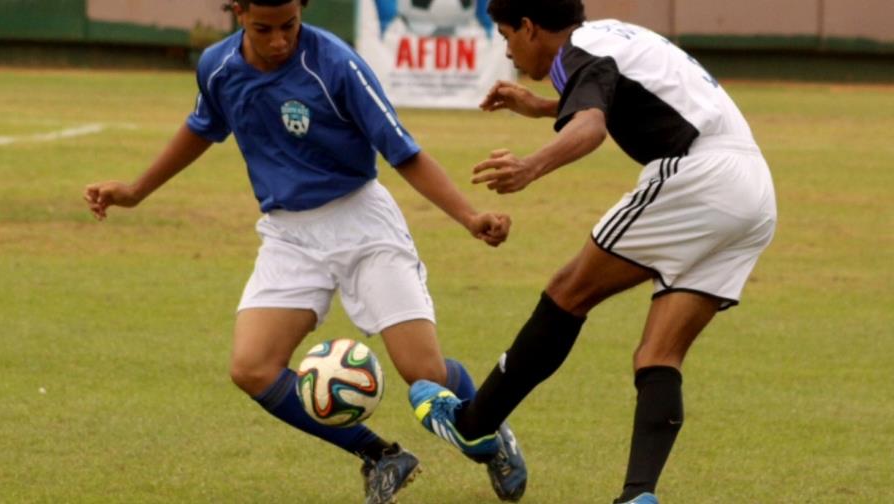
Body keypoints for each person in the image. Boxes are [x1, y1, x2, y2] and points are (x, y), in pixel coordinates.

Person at [82, 1, 527, 503]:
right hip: (289, 234)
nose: (279, 41)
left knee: (423, 375)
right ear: (238, 14)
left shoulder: (336, 64)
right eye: (263, 28)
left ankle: (489, 438)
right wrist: (137, 190)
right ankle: (381, 457)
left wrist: (470, 218)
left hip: (361, 225)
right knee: (252, 368)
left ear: (303, 11)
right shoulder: (219, 66)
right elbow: (203, 126)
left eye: (289, 26)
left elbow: (403, 151)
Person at [408, 1, 777, 503]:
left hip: (699, 176)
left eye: (505, 34)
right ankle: (638, 495)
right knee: (659, 353)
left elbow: (591, 127)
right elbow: (622, 97)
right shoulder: (609, 36)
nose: (508, 49)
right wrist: (539, 106)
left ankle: (475, 422)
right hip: (754, 193)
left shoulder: (578, 53)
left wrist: (529, 168)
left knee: (568, 291)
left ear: (530, 27)